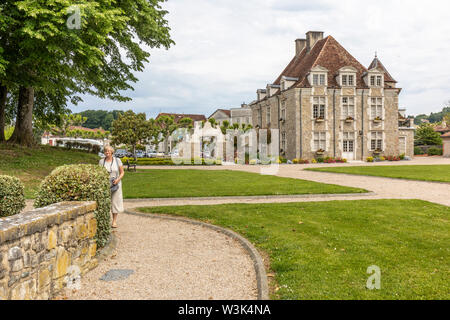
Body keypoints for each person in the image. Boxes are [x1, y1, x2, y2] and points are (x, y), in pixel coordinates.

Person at [99, 146, 124, 228]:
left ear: (112, 152)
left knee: (115, 202)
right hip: (105, 184)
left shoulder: (117, 160)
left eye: (109, 151)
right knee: (105, 202)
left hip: (116, 183)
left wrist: (117, 180)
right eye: (106, 151)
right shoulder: (101, 161)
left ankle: (114, 221)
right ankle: (105, 221)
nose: (107, 152)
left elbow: (122, 173)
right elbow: (99, 173)